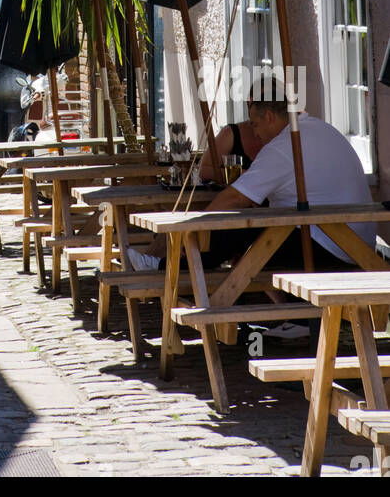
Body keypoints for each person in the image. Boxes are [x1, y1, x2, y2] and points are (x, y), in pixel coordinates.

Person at [129, 87, 377, 328]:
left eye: (255, 125)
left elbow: (235, 198)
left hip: (331, 246)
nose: (255, 134)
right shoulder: (319, 128)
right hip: (357, 242)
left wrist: (193, 231)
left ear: (269, 116)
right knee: (255, 230)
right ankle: (292, 317)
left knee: (243, 226)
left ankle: (173, 268)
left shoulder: (283, 146)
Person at [198, 117, 262, 181]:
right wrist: (245, 174)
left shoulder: (271, 141)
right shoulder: (231, 133)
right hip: (231, 189)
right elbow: (202, 171)